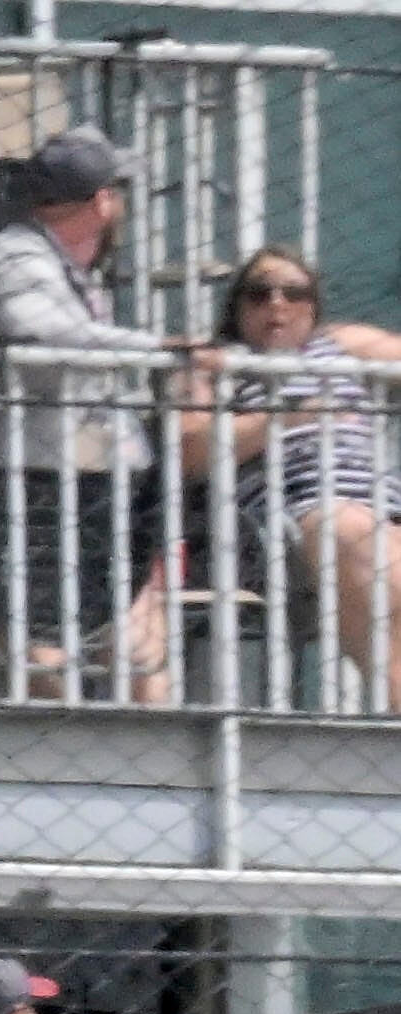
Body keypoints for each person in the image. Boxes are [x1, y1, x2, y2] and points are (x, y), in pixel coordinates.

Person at [0, 130, 193, 699]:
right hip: (3, 481)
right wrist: (155, 347)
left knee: (136, 637)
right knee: (42, 644)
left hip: (73, 481)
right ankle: (57, 766)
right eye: (117, 191)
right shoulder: (14, 256)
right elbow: (49, 335)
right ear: (103, 201)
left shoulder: (62, 267)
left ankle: (148, 770)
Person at [182, 247, 401, 709]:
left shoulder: (340, 344)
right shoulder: (220, 363)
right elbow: (192, 451)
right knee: (344, 530)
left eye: (293, 293)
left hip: (382, 510)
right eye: (260, 294)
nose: (277, 305)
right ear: (238, 307)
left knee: (365, 544)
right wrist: (285, 417)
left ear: (313, 305)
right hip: (281, 529)